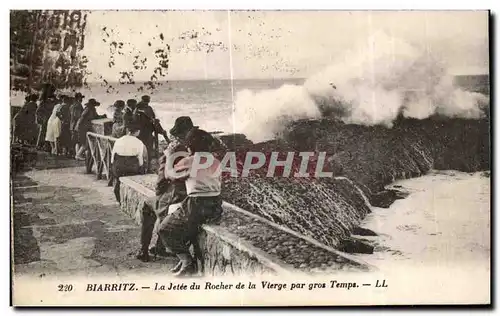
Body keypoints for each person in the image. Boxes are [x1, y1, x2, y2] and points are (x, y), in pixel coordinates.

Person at [158, 128, 223, 277]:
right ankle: (184, 260)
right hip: (215, 205)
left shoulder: (189, 161)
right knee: (186, 227)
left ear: (190, 146)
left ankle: (187, 261)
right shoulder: (216, 161)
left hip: (196, 204)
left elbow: (169, 175)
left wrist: (169, 156)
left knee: (165, 229)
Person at [135, 116, 197, 262]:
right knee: (156, 208)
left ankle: (144, 250)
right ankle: (157, 247)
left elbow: (164, 176)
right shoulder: (187, 148)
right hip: (183, 193)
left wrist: (159, 192)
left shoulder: (174, 148)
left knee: (148, 207)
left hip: (174, 194)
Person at [110, 121, 148, 203]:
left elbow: (112, 159)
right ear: (138, 132)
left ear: (128, 130)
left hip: (118, 168)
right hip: (132, 169)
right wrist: (142, 170)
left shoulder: (119, 140)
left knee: (118, 179)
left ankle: (119, 199)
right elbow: (141, 161)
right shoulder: (139, 143)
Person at [134, 95, 169, 162]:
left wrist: (153, 121)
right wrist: (153, 121)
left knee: (144, 148)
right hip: (145, 130)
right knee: (148, 147)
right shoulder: (145, 108)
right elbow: (151, 118)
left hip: (142, 130)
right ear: (148, 100)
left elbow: (151, 118)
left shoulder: (139, 108)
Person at [36, 84, 57, 151]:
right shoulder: (45, 101)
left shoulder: (46, 100)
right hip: (46, 118)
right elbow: (38, 111)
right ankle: (40, 145)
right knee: (44, 132)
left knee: (46, 133)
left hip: (48, 118)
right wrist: (40, 119)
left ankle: (44, 146)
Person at [69, 92, 85, 158]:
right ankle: (78, 155)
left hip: (72, 125)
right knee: (79, 141)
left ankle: (77, 154)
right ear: (78, 98)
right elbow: (77, 116)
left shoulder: (72, 105)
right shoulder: (78, 105)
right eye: (81, 98)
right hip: (76, 125)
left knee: (76, 141)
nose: (82, 99)